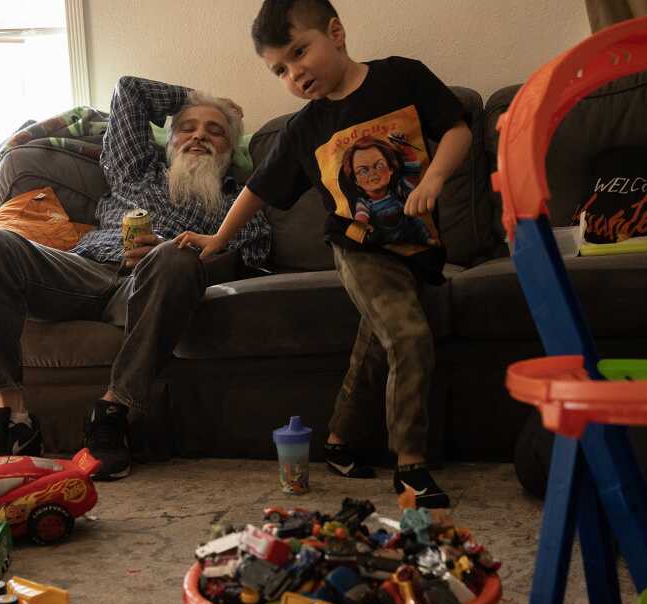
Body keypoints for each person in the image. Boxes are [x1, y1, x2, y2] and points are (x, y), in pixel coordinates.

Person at [173, 0, 471, 508]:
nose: (295, 73)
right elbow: (259, 190)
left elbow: (459, 130)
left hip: (417, 245)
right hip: (358, 248)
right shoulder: (304, 129)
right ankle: (411, 465)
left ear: (335, 32)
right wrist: (218, 239)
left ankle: (338, 441)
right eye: (280, 69)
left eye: (299, 52)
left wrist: (437, 178)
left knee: (376, 343)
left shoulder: (402, 78)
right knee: (408, 334)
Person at [0, 76, 271, 480]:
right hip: (82, 270)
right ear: (168, 141)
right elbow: (130, 89)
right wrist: (198, 98)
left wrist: (175, 248)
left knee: (173, 258)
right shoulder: (134, 172)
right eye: (187, 127)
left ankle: (112, 414)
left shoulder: (241, 207)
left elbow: (248, 264)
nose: (198, 137)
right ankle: (12, 419)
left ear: (231, 150)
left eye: (216, 131)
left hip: (152, 284)